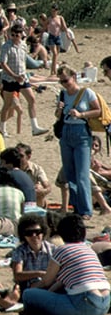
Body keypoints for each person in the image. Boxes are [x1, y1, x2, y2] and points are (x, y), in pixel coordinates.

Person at [21, 213, 111, 315]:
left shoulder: (62, 250)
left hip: (84, 302)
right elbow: (61, 282)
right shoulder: (89, 249)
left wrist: (37, 291)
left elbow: (46, 282)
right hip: (105, 302)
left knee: (28, 294)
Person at [55, 65, 98, 217]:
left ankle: (86, 210)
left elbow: (98, 110)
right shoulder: (62, 94)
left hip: (81, 133)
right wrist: (59, 110)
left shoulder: (86, 92)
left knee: (82, 174)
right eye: (61, 82)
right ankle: (76, 208)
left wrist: (81, 114)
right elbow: (57, 116)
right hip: (66, 132)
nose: (64, 84)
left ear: (73, 77)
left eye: (66, 80)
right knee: (69, 173)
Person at [0, 25, 47, 136]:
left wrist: (24, 75)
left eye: (17, 35)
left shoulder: (23, 46)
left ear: (21, 35)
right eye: (13, 35)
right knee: (8, 104)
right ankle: (2, 128)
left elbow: (23, 62)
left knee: (32, 99)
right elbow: (3, 63)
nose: (14, 37)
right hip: (10, 79)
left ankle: (35, 127)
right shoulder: (6, 46)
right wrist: (14, 76)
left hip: (22, 78)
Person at [10, 214, 54, 290]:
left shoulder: (53, 250)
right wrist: (39, 274)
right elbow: (17, 275)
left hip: (51, 287)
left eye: (37, 232)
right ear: (23, 235)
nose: (34, 236)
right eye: (29, 233)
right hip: (28, 288)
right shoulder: (19, 251)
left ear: (43, 232)